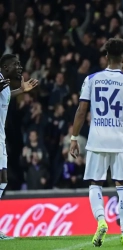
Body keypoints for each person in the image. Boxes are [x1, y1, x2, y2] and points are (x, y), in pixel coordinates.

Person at [69, 38, 123, 247]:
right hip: (120, 141)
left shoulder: (91, 79)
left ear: (106, 57)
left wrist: (74, 138)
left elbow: (81, 111)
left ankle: (101, 220)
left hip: (96, 140)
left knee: (95, 184)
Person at [0, 54, 38, 239]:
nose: (20, 67)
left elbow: (4, 97)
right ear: (6, 67)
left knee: (3, 179)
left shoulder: (5, 84)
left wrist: (21, 90)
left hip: (0, 136)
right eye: (16, 64)